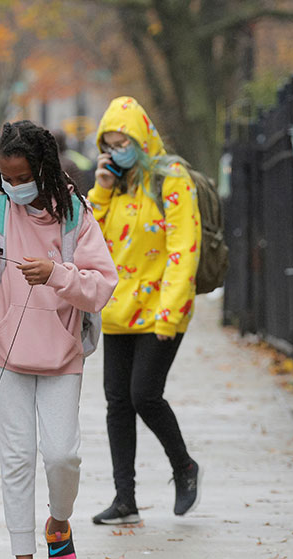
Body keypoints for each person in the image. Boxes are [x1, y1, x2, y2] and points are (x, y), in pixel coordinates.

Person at [0, 120, 117, 559]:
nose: (14, 187)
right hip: (5, 354)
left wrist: (58, 274)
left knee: (63, 455)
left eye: (22, 176)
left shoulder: (75, 214)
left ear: (43, 168)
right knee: (16, 460)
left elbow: (102, 285)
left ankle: (58, 525)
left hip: (61, 352)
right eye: (6, 177)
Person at [87, 96, 203, 525]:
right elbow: (88, 241)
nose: (117, 150)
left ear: (142, 137)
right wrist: (100, 189)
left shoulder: (171, 178)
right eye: (109, 144)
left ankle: (184, 467)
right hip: (119, 311)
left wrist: (170, 315)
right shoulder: (112, 185)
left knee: (144, 395)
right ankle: (125, 499)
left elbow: (183, 250)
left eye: (124, 142)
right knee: (117, 402)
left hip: (159, 310)